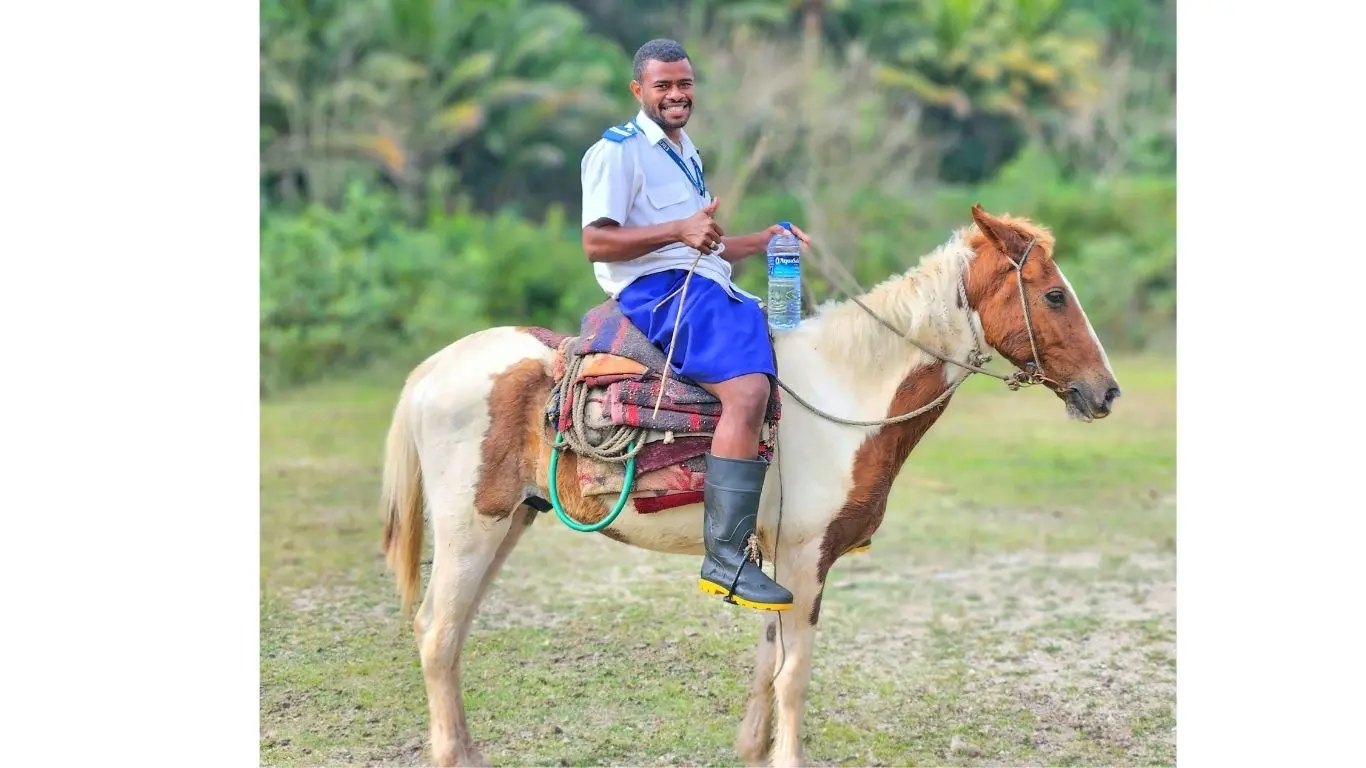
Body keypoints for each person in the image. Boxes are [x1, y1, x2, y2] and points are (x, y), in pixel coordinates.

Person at [579, 38, 810, 613]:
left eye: (684, 84)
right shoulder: (618, 151)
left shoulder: (685, 150)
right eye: (663, 86)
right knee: (748, 390)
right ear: (639, 90)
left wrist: (767, 239)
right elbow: (595, 242)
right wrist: (678, 232)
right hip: (658, 292)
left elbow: (706, 243)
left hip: (705, 283)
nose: (676, 95)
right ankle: (726, 558)